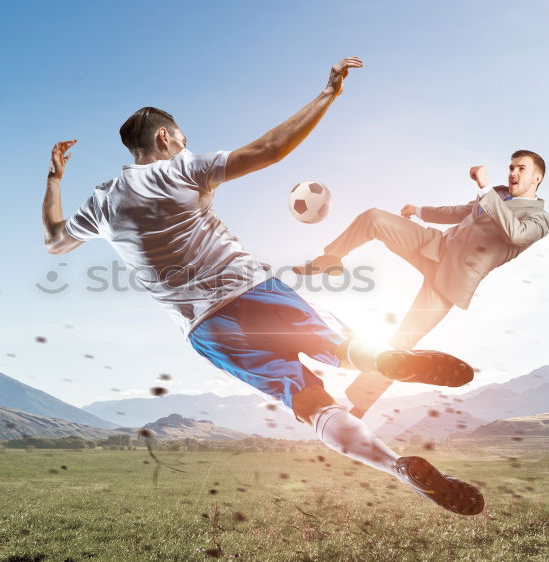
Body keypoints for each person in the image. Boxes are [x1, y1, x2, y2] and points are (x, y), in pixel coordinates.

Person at [42, 57, 482, 515]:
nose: (184, 145)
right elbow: (271, 148)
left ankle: (397, 468)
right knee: (342, 347)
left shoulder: (101, 202)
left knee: (311, 405)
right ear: (164, 137)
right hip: (252, 291)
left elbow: (55, 242)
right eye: (182, 139)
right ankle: (383, 360)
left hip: (205, 330)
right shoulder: (180, 169)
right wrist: (328, 94)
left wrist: (54, 180)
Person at [294, 152, 549, 413]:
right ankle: (330, 259)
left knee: (401, 345)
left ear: (537, 177)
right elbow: (461, 212)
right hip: (434, 245)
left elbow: (515, 234)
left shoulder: (540, 219)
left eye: (521, 168)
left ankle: (359, 405)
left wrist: (486, 189)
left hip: (452, 280)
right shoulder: (497, 193)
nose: (513, 173)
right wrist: (419, 211)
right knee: (374, 217)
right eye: (511, 167)